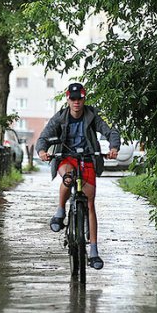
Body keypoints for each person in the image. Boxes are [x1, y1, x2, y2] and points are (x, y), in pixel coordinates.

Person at [35, 83, 120, 270]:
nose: (76, 102)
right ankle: (60, 212)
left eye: (79, 98)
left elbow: (111, 131)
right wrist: (42, 151)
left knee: (90, 202)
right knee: (68, 177)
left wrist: (114, 147)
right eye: (72, 98)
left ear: (84, 98)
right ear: (68, 99)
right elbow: (43, 137)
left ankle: (94, 251)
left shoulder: (93, 115)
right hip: (67, 158)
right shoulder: (60, 117)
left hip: (88, 157)